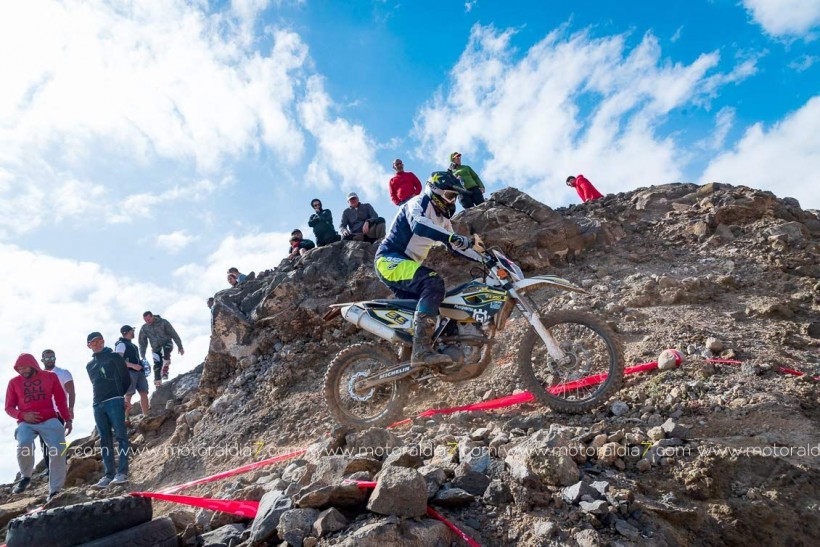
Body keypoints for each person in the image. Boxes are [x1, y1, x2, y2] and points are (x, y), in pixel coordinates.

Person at [375, 171, 479, 366]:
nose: (452, 201)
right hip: (389, 259)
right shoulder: (418, 202)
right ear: (435, 192)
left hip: (406, 264)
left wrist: (484, 259)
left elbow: (456, 247)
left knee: (429, 309)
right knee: (433, 282)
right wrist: (450, 238)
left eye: (454, 197)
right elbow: (419, 225)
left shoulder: (444, 221)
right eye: (449, 195)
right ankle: (421, 352)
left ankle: (410, 364)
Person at [6, 353, 72, 501]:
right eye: (19, 369)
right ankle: (25, 476)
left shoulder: (50, 377)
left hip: (49, 419)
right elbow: (9, 407)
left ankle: (55, 490)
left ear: (32, 364)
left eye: (23, 367)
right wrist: (23, 415)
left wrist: (67, 419)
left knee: (58, 450)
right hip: (26, 422)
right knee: (23, 443)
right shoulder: (14, 382)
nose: (21, 371)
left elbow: (61, 399)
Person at [86, 332, 131, 488]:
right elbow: (95, 383)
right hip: (97, 404)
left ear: (104, 341)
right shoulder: (89, 365)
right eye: (94, 342)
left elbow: (126, 379)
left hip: (114, 401)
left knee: (121, 436)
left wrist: (121, 397)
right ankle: (108, 475)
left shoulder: (115, 357)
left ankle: (122, 473)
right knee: (105, 439)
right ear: (89, 345)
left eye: (100, 341)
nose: (98, 344)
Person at [38, 349, 75, 477]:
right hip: (42, 414)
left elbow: (71, 392)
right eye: (47, 358)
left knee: (58, 441)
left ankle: (62, 467)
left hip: (58, 412)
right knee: (44, 443)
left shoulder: (63, 373)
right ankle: (50, 470)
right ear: (42, 360)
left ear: (55, 358)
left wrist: (70, 409)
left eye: (52, 358)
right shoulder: (38, 375)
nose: (50, 360)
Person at [138, 311, 184, 388]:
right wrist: (142, 355)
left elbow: (173, 333)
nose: (147, 322)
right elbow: (142, 343)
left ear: (152, 316)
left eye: (148, 319)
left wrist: (180, 346)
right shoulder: (144, 328)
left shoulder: (163, 322)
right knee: (157, 365)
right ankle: (158, 383)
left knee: (165, 351)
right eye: (145, 320)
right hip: (155, 348)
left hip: (167, 344)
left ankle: (165, 370)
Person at [115, 325, 149, 416]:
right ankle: (125, 419)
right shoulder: (121, 344)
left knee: (144, 392)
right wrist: (133, 365)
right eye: (132, 330)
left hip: (140, 372)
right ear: (127, 332)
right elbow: (118, 360)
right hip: (129, 372)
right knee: (129, 394)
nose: (133, 332)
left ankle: (146, 416)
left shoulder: (133, 345)